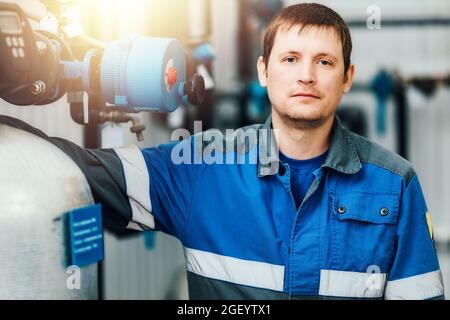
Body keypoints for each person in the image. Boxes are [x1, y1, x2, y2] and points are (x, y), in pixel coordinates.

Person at [1, 3, 444, 299]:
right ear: (264, 71)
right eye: (290, 59)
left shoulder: (394, 185)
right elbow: (79, 171)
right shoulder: (202, 169)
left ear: (347, 77)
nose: (306, 75)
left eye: (323, 62)